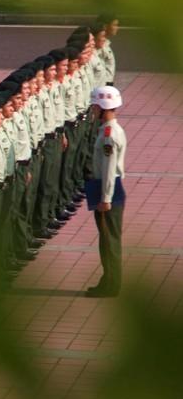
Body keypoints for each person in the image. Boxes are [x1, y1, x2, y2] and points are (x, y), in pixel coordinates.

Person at [86, 85, 127, 297]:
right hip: (106, 188)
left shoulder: (109, 134)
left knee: (110, 241)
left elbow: (110, 169)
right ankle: (108, 280)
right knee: (107, 239)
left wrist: (106, 198)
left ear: (104, 107)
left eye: (95, 106)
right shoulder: (107, 130)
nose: (93, 110)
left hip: (108, 190)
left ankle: (111, 285)